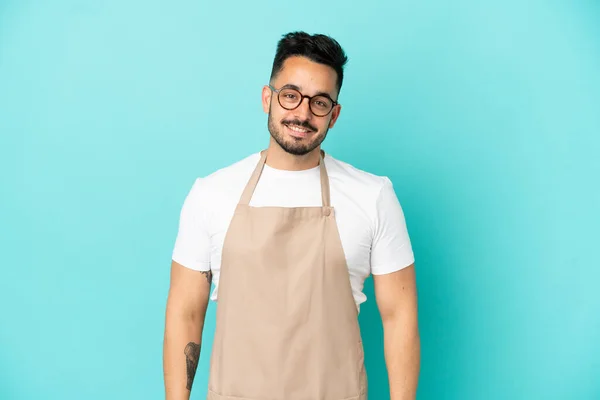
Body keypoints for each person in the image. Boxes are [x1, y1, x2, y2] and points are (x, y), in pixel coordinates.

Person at [163, 31, 420, 400]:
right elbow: (185, 312)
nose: (301, 113)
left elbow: (400, 319)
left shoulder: (373, 196)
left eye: (319, 103)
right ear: (267, 98)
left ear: (334, 115)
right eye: (290, 95)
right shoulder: (211, 194)